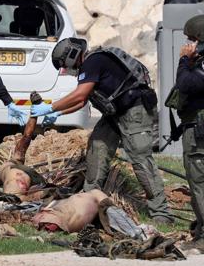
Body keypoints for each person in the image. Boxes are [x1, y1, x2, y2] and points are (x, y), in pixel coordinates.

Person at [30, 38, 173, 225]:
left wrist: (49, 108)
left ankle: (161, 213)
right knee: (97, 147)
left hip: (135, 111)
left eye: (64, 66)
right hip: (115, 113)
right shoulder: (89, 66)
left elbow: (80, 94)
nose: (65, 70)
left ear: (72, 56)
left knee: (140, 159)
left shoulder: (93, 61)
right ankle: (90, 200)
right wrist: (57, 114)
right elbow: (82, 101)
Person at [169, 15, 204, 252]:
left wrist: (184, 60)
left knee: (200, 182)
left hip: (200, 132)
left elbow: (186, 85)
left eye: (191, 39)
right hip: (195, 126)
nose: (188, 45)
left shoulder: (202, 63)